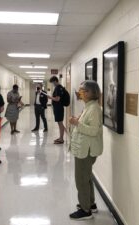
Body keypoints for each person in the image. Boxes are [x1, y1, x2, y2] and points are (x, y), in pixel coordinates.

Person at [69, 80, 103, 220]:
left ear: (90, 93)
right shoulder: (89, 106)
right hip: (84, 148)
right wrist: (79, 121)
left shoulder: (94, 108)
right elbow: (87, 125)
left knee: (81, 180)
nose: (80, 92)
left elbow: (94, 131)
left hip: (86, 150)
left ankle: (85, 210)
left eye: (82, 90)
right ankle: (90, 204)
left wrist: (77, 123)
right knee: (87, 177)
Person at [48, 76, 66, 144]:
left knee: (60, 123)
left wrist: (50, 97)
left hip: (59, 108)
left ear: (55, 81)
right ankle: (60, 137)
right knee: (59, 123)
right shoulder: (59, 87)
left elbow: (57, 99)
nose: (53, 84)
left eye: (52, 82)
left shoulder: (58, 88)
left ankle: (61, 139)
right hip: (58, 108)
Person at [106, 61, 117, 129]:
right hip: (111, 105)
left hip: (114, 105)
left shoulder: (114, 87)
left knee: (113, 115)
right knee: (111, 115)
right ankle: (113, 125)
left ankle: (114, 125)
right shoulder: (109, 89)